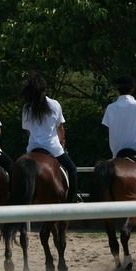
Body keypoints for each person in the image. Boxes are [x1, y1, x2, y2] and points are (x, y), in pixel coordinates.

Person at [21, 73, 80, 202]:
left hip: (32, 148)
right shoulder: (55, 104)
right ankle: (72, 201)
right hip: (53, 148)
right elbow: (60, 128)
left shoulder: (27, 107)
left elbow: (28, 131)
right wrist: (62, 144)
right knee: (72, 169)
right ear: (44, 88)